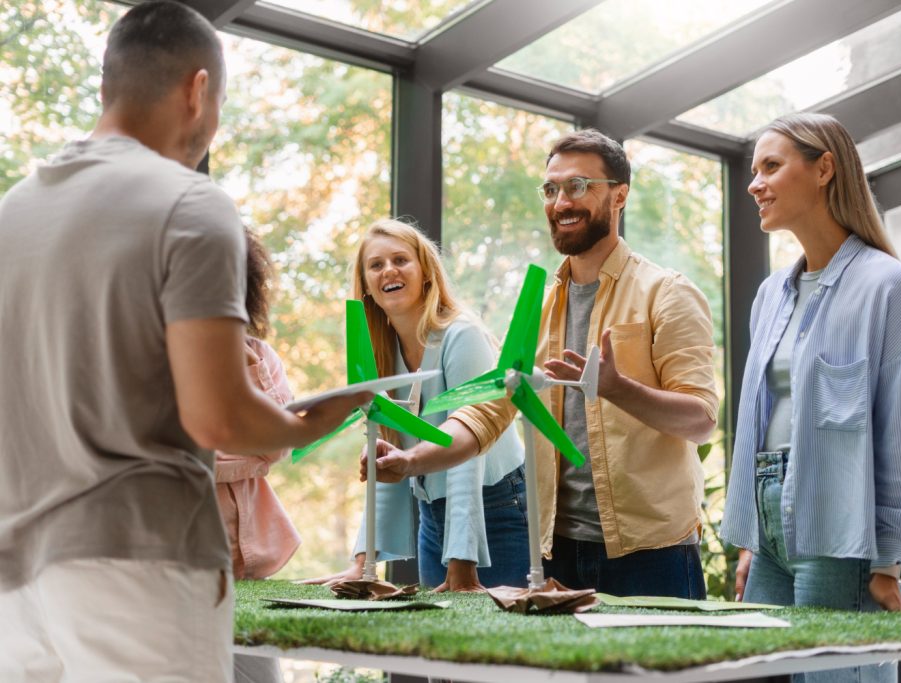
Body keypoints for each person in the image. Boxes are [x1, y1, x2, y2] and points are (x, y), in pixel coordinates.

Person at [0, 3, 367, 681]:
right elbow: (218, 415)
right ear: (198, 91)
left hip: (17, 579)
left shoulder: (14, 209)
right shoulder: (191, 204)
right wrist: (301, 421)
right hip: (141, 562)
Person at [366, 130, 719, 598]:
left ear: (620, 195)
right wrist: (411, 460)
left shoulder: (667, 293)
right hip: (556, 554)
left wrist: (617, 388)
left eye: (577, 186)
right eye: (551, 189)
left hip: (651, 556)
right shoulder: (540, 304)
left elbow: (701, 419)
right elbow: (486, 412)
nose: (560, 202)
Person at [720, 113, 901, 683]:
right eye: (752, 170)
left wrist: (890, 561)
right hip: (768, 532)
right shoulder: (770, 295)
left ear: (824, 169)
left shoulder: (886, 284)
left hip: (843, 532)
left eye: (771, 166)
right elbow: (758, 422)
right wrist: (750, 541)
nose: (754, 183)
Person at [301, 218, 529, 591]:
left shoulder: (462, 335)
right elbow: (388, 459)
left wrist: (462, 567)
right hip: (434, 515)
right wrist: (364, 563)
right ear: (368, 287)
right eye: (376, 265)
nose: (388, 270)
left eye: (400, 260)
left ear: (425, 272)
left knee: (493, 640)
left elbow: (466, 455)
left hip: (497, 508)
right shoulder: (379, 352)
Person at [217, 230, 300, 683]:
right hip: (183, 565)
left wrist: (243, 356)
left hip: (249, 568)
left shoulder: (260, 354)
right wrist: (250, 450)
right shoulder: (158, 355)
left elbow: (277, 445)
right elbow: (177, 456)